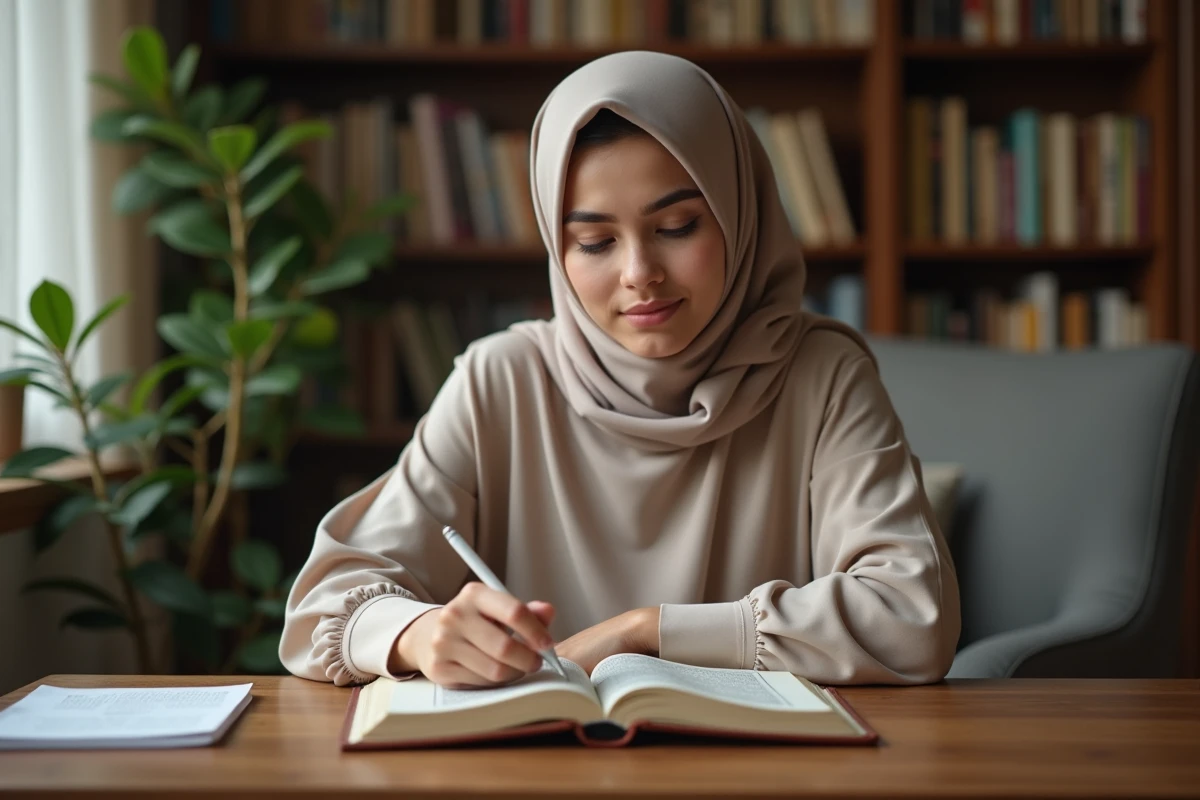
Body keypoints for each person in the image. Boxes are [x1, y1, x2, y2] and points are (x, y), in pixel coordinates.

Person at [280, 50, 961, 689]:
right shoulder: (503, 379)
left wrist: (646, 634)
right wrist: (419, 633)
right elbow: (322, 608)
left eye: (678, 227)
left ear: (740, 215)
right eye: (595, 242)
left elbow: (911, 616)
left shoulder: (822, 375)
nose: (639, 275)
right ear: (557, 248)